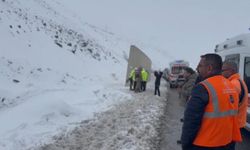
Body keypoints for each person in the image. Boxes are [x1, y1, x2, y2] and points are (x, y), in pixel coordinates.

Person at [181, 53, 242, 150]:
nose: (197, 69)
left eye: (200, 66)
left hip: (205, 144)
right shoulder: (231, 86)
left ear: (209, 68)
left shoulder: (202, 88)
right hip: (227, 142)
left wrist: (185, 144)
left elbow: (191, 121)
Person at [222, 61, 248, 130]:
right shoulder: (239, 81)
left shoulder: (232, 84)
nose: (221, 73)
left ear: (231, 71)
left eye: (223, 70)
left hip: (234, 123)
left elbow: (229, 106)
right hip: (239, 121)